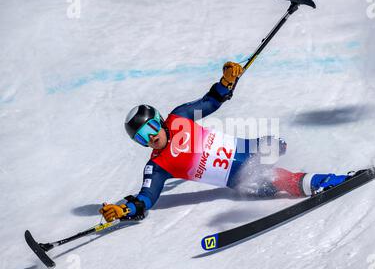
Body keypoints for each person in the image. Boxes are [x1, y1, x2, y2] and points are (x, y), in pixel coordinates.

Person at [99, 62, 351, 222]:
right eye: (143, 137)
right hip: (241, 179)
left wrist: (226, 82)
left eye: (152, 128)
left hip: (249, 147)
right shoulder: (157, 167)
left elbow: (210, 102)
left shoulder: (180, 117)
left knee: (277, 145)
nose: (152, 137)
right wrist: (126, 210)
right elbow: (147, 196)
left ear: (160, 119)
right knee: (280, 179)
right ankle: (326, 181)